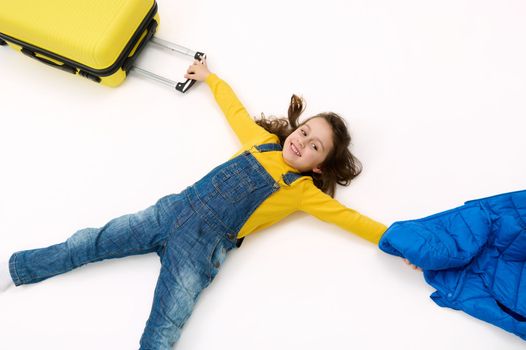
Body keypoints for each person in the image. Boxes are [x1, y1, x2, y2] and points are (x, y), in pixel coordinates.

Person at [0, 59, 388, 349]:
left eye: (314, 146)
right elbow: (233, 108)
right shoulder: (260, 141)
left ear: (319, 167)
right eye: (304, 132)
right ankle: (18, 269)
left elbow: (349, 219)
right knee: (91, 241)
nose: (301, 142)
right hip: (168, 212)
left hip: (199, 251)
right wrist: (209, 78)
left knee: (166, 324)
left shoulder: (301, 190)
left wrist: (393, 240)